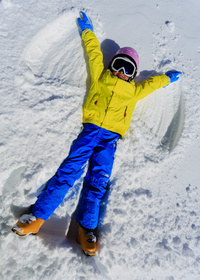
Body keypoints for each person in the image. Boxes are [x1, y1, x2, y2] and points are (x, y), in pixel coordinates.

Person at [12, 12, 181, 256]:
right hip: (89, 132)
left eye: (128, 68)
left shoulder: (133, 92)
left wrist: (167, 78)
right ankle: (37, 218)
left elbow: (151, 85)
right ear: (112, 65)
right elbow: (93, 53)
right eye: (118, 65)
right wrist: (87, 31)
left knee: (98, 181)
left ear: (133, 74)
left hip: (110, 139)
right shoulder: (101, 78)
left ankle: (87, 230)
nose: (121, 71)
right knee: (68, 172)